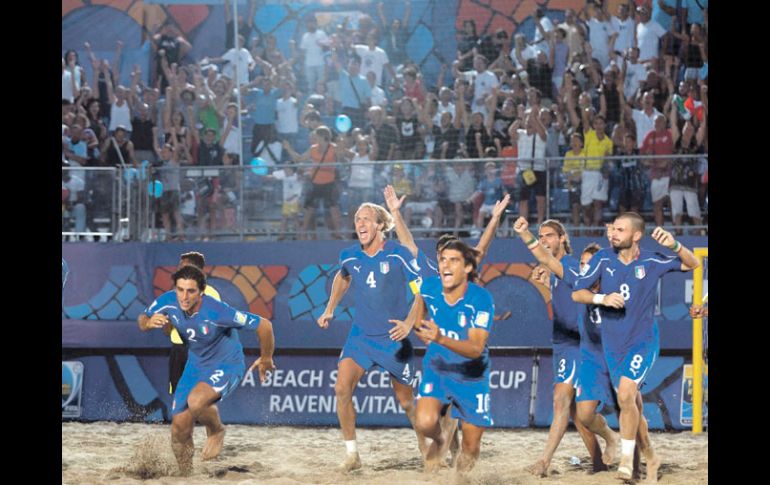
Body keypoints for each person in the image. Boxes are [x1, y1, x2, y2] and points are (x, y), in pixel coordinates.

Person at [569, 212, 699, 480]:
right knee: (630, 402)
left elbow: (693, 263)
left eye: (620, 230)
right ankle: (650, 454)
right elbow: (577, 293)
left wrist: (674, 245)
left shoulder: (651, 261)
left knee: (626, 394)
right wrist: (602, 298)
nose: (613, 234)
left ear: (636, 235)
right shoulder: (603, 258)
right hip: (612, 345)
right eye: (613, 229)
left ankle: (627, 462)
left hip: (642, 342)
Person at [316, 202, 427, 471]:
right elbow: (343, 277)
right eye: (357, 219)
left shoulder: (399, 254)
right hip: (361, 337)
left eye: (366, 219)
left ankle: (426, 448)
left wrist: (409, 323)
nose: (360, 224)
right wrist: (330, 308)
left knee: (406, 402)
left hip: (393, 338)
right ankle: (352, 455)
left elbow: (421, 291)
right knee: (341, 389)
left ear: (380, 225)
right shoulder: (349, 255)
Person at [138, 265, 275, 475]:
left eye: (190, 291)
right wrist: (148, 323)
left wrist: (266, 358)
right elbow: (142, 318)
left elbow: (264, 326)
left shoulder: (217, 311)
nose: (184, 296)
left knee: (196, 401)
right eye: (180, 289)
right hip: (196, 365)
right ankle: (186, 475)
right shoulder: (168, 301)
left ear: (201, 291)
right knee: (179, 428)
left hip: (227, 363)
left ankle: (216, 430)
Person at [511, 217, 606, 477]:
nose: (544, 240)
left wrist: (524, 234)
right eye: (541, 236)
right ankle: (599, 461)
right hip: (562, 343)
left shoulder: (571, 265)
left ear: (562, 238)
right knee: (574, 412)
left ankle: (543, 462)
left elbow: (579, 293)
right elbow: (566, 299)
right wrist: (547, 283)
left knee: (560, 400)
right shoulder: (553, 270)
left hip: (576, 343)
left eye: (549, 235)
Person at [400, 238, 495, 473]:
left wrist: (440, 338)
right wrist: (421, 330)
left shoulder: (481, 299)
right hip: (439, 367)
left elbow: (475, 348)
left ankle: (461, 478)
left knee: (470, 446)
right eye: (443, 259)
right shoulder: (429, 287)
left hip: (472, 375)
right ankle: (441, 438)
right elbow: (419, 317)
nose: (446, 265)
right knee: (424, 423)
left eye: (453, 260)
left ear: (468, 267)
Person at [137, 252, 222, 395]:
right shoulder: (171, 296)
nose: (179, 271)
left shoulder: (211, 294)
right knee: (180, 399)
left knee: (200, 399)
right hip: (179, 352)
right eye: (179, 268)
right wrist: (150, 322)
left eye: (184, 268)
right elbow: (143, 320)